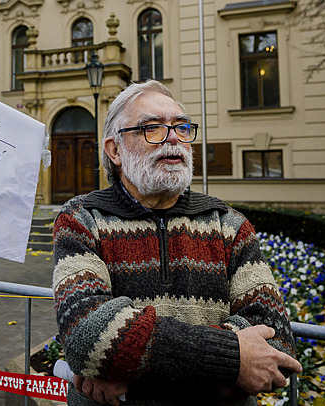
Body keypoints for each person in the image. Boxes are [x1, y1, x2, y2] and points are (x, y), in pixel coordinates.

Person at [52, 79, 302, 405]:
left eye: (182, 127)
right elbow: (89, 335)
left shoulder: (230, 225)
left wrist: (130, 376)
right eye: (152, 128)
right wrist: (233, 359)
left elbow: (275, 341)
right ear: (115, 150)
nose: (173, 139)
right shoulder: (82, 219)